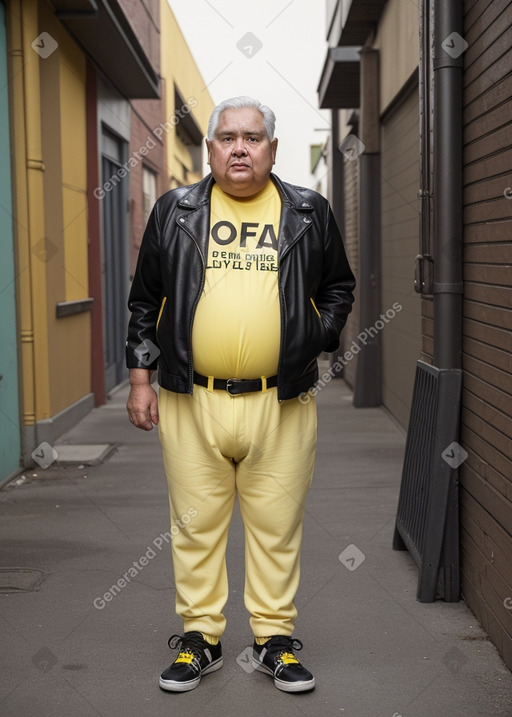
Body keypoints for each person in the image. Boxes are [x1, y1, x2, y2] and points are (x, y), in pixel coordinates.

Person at [125, 96, 355, 694]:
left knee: (276, 523)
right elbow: (144, 301)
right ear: (210, 149)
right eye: (227, 137)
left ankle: (273, 639)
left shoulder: (308, 211)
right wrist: (141, 378)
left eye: (252, 138)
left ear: (272, 149)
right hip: (189, 398)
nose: (239, 148)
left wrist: (317, 336)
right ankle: (200, 640)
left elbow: (339, 287)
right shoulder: (175, 211)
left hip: (282, 400)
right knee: (194, 525)